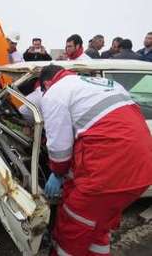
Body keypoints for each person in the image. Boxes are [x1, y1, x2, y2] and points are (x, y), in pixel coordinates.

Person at [38, 65, 152, 256]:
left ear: (47, 83)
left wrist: (57, 173)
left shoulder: (55, 93)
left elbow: (59, 147)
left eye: (42, 90)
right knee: (98, 226)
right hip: (142, 167)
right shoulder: (105, 83)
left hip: (107, 172)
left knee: (72, 228)